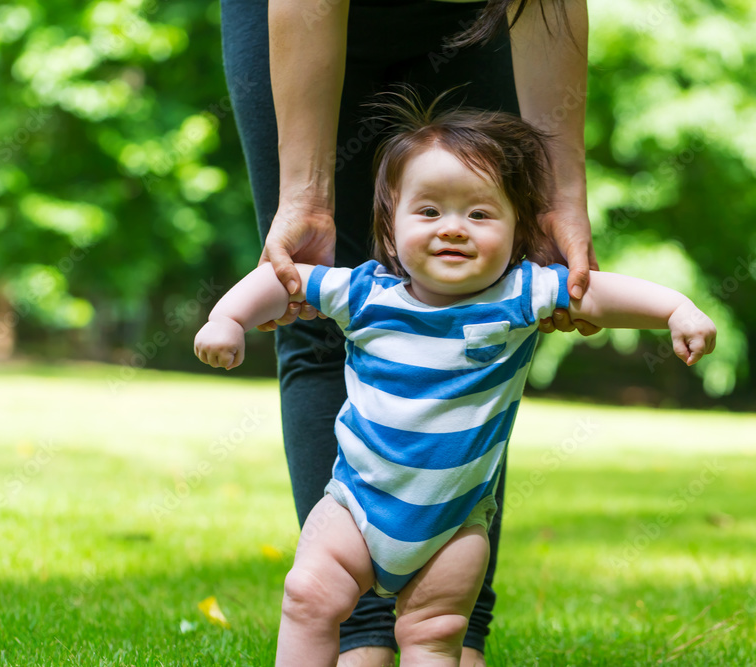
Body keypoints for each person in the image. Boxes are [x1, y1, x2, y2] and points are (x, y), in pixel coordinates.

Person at [194, 103, 717, 665]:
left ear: (518, 232)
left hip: (455, 521)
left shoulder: (521, 294)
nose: (452, 227)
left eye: (479, 214)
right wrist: (227, 319)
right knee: (307, 596)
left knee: (434, 633)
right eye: (428, 211)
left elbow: (597, 293)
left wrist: (675, 309)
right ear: (391, 233)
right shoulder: (366, 293)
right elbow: (281, 280)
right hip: (358, 503)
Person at [219, 1, 595, 663]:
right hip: (297, 16)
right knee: (315, 317)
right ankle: (359, 632)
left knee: (483, 313)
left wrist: (560, 194)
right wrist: (304, 194)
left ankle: (449, 628)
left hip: (471, 18)